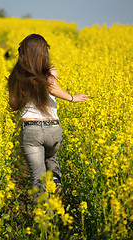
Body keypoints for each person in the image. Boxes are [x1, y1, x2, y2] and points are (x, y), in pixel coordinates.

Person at [8, 33, 90, 202]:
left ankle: (45, 221)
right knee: (50, 156)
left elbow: (13, 105)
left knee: (37, 178)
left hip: (30, 130)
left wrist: (13, 86)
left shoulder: (17, 76)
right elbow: (52, 89)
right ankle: (55, 181)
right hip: (53, 129)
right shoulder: (51, 72)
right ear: (44, 53)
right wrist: (72, 98)